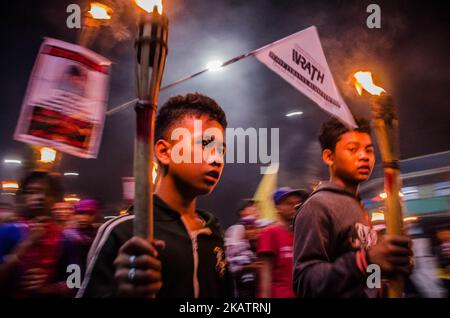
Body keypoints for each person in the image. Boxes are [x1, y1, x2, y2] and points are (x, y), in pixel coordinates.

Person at [77, 93, 230, 298]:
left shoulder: (213, 233)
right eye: (205, 144)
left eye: (221, 150)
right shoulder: (124, 231)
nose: (217, 158)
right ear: (164, 152)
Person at [293, 117, 414, 298]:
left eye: (369, 150)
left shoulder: (359, 207)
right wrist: (366, 261)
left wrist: (391, 268)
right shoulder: (318, 207)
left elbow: (367, 282)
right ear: (329, 157)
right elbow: (305, 282)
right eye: (353, 149)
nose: (364, 156)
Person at [0, 171, 73, 297]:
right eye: (32, 192)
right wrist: (26, 243)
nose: (40, 197)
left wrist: (47, 289)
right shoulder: (7, 231)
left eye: (47, 193)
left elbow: (76, 282)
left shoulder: (66, 239)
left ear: (55, 198)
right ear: (23, 197)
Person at [258, 187, 308, 298]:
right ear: (278, 207)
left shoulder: (300, 233)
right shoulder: (270, 233)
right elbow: (265, 273)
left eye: (297, 203)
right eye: (289, 203)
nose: (294, 207)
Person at [225, 200, 263, 298]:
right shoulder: (236, 231)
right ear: (243, 213)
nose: (255, 211)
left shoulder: (263, 230)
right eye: (251, 208)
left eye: (256, 209)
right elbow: (229, 265)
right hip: (239, 287)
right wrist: (249, 266)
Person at [62, 199, 99, 280]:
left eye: (89, 214)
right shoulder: (68, 235)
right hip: (74, 280)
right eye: (80, 213)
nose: (83, 218)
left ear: (95, 215)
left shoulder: (99, 234)